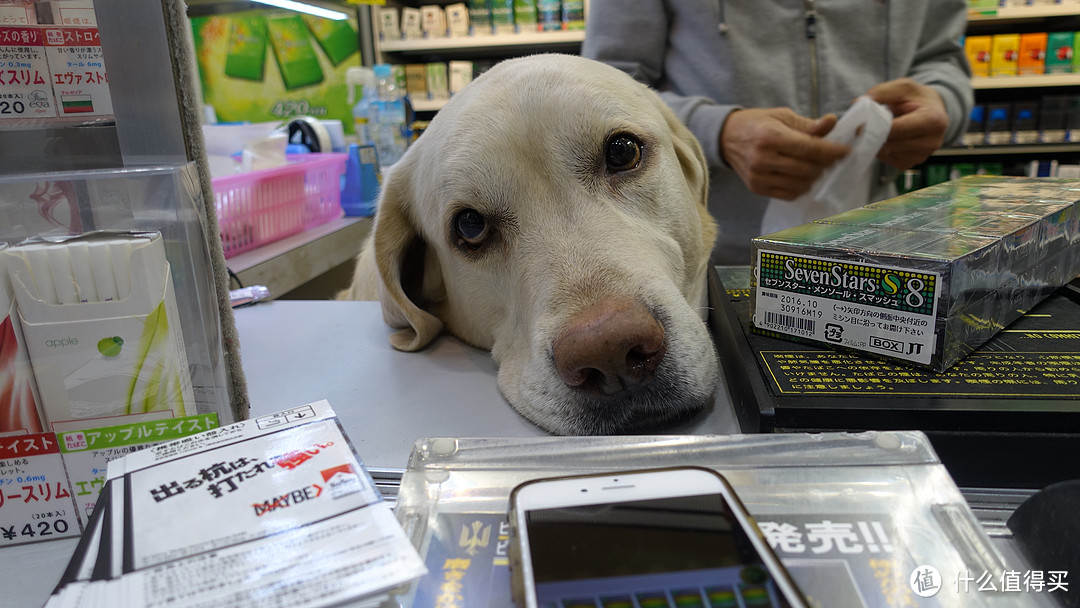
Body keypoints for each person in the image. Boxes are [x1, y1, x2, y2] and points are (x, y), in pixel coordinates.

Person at [582, 0, 974, 264]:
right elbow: (604, 85)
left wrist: (943, 102)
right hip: (718, 256)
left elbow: (942, 56)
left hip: (873, 244)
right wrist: (717, 132)